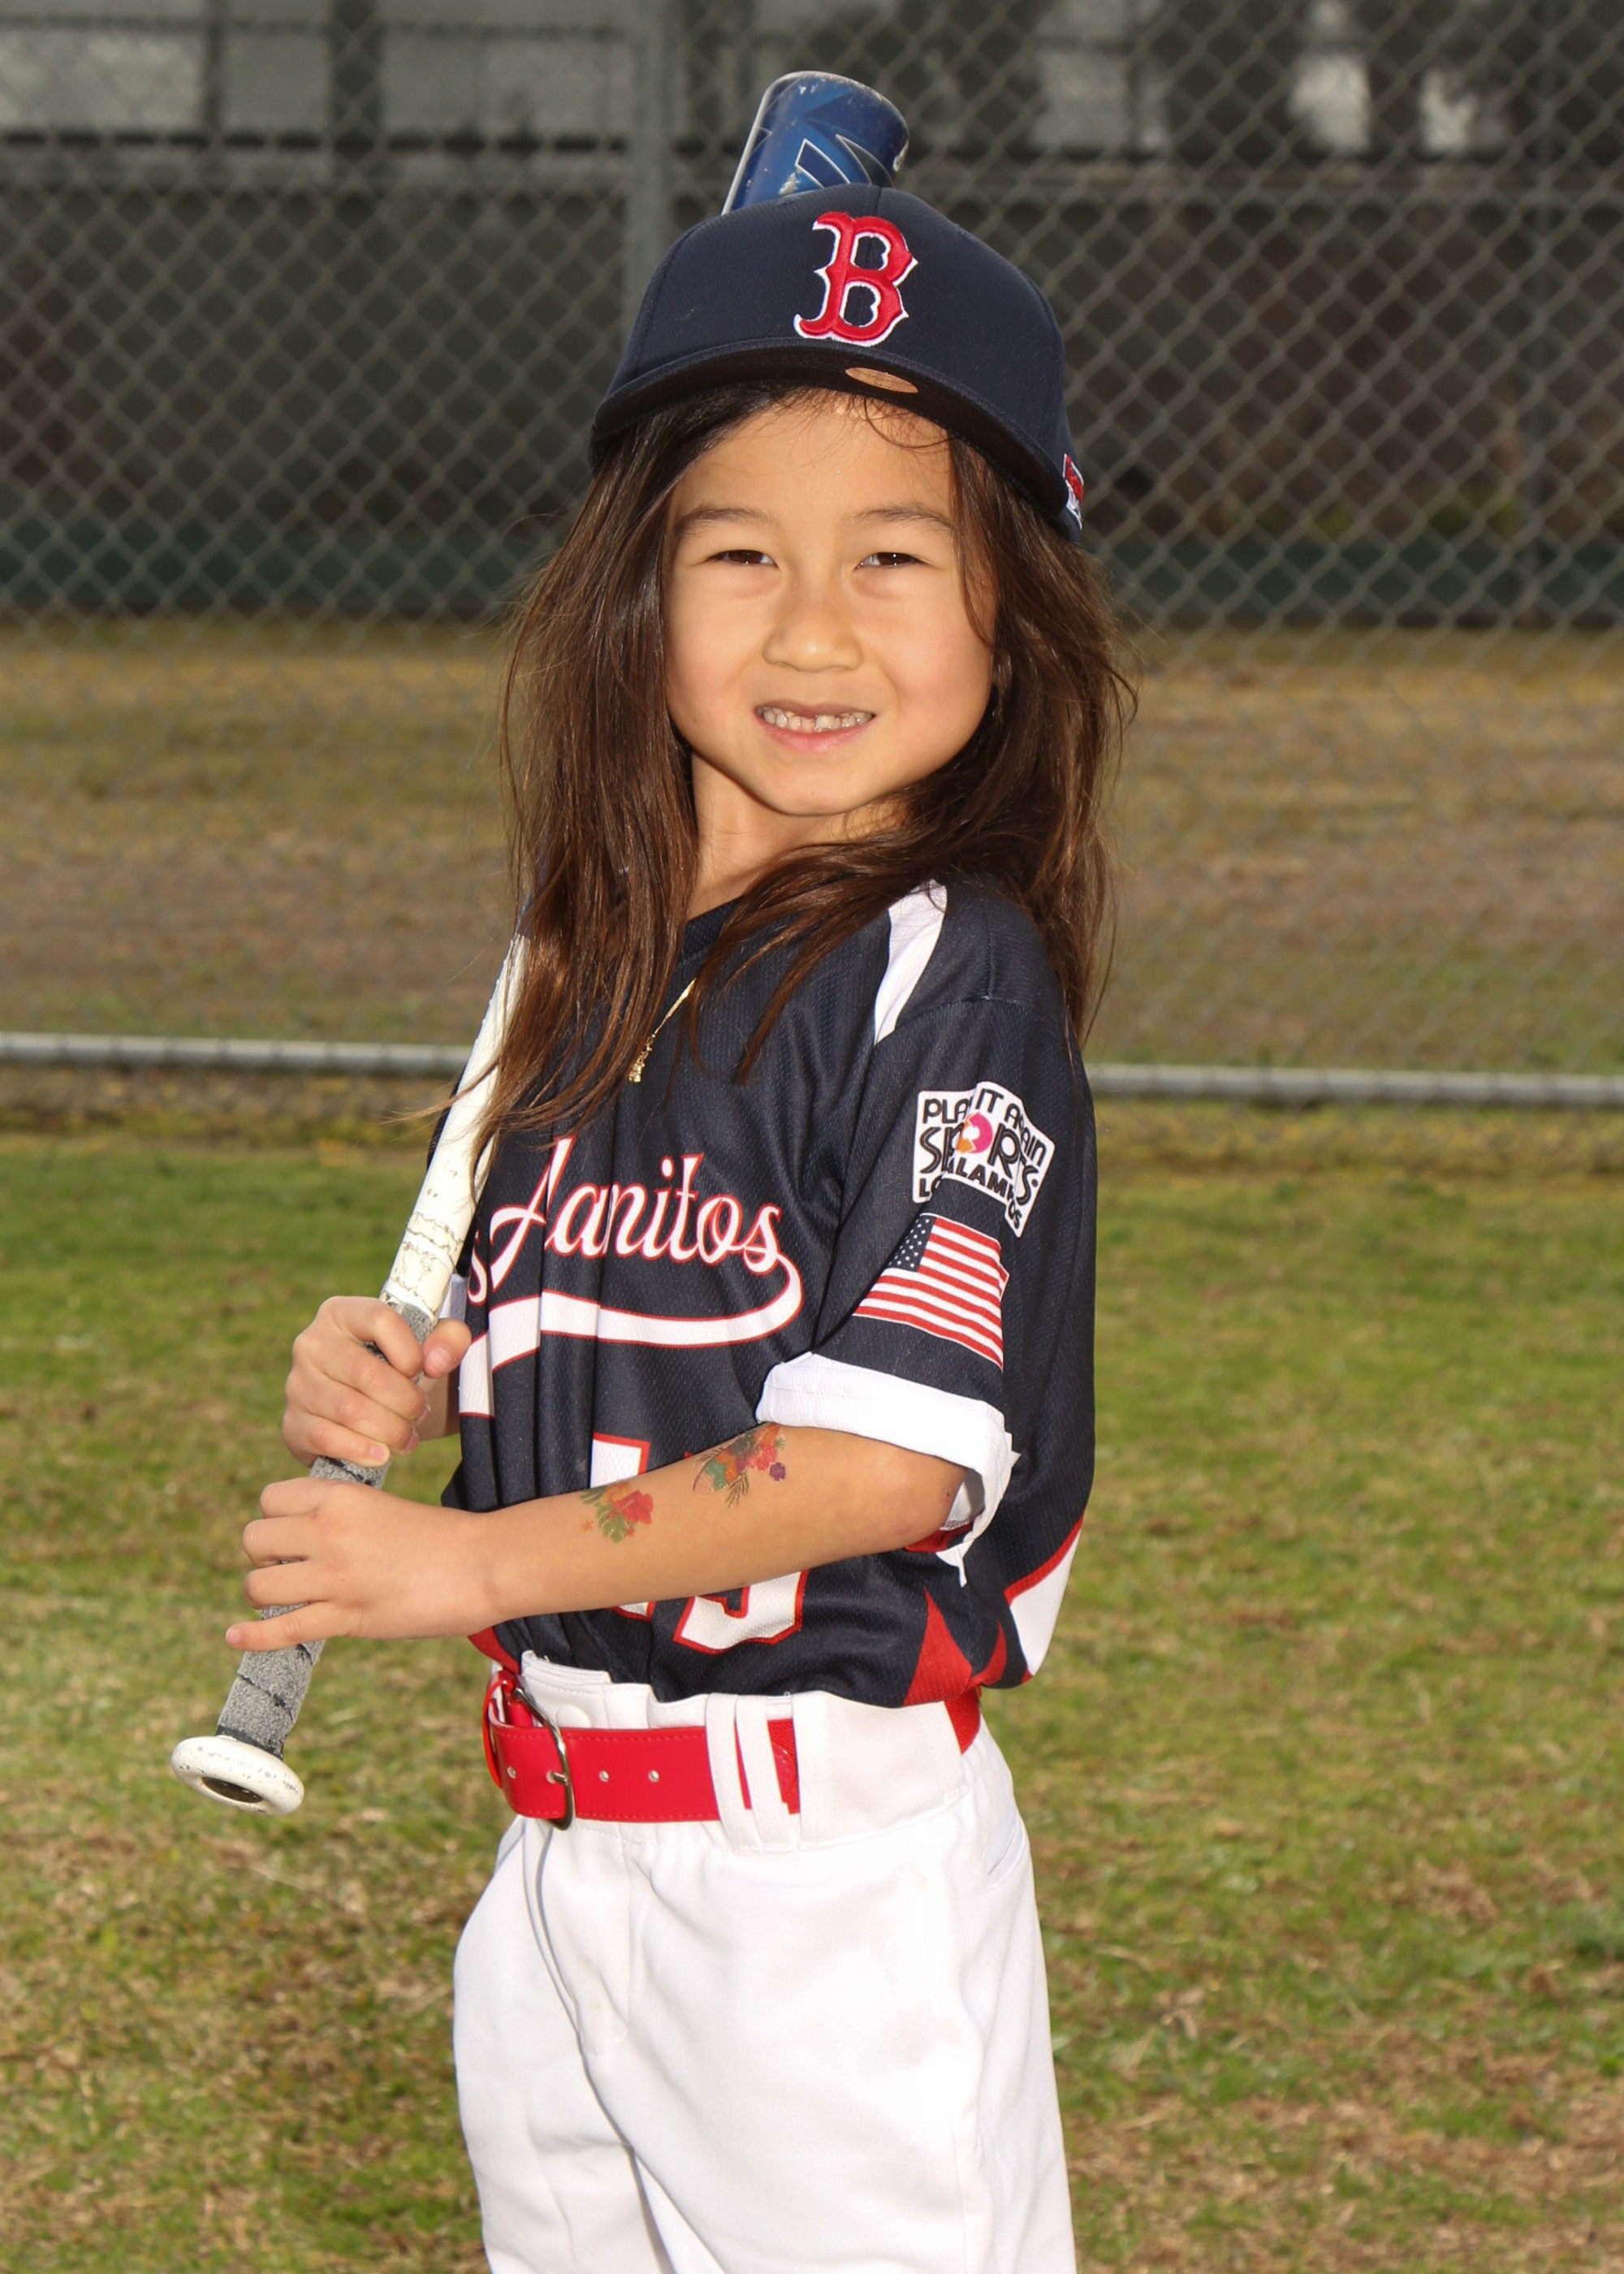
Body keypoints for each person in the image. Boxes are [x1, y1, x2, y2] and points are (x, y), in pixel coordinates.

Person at [229, 184, 1130, 2273]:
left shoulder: (945, 974)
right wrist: (421, 1375)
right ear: (637, 597)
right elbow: (607, 1328)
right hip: (555, 1871)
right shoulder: (592, 980)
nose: (810, 630)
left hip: (818, 1902)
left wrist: (463, 1561)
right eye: (738, 553)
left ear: (1011, 618)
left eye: (893, 557)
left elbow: (881, 1461)